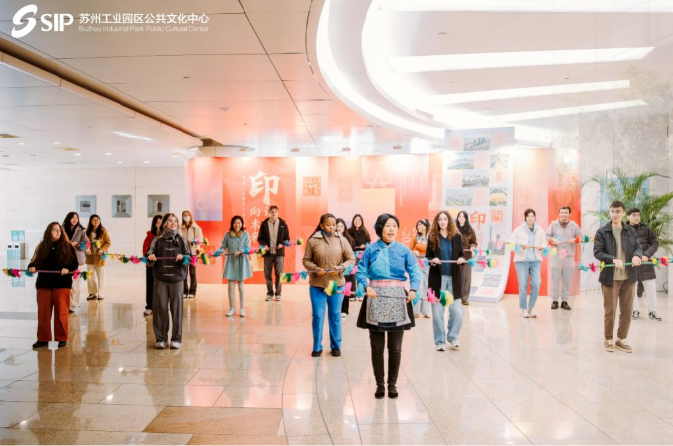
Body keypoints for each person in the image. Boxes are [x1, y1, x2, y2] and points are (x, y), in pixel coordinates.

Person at [356, 213, 421, 399]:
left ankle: (392, 384)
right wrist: (366, 286)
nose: (392, 229)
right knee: (377, 347)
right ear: (380, 228)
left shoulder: (403, 250)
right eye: (388, 225)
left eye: (394, 225)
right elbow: (361, 271)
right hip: (375, 297)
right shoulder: (370, 249)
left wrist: (413, 289)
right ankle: (379, 385)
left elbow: (414, 271)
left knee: (395, 347)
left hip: (397, 299)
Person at [303, 214, 355, 357]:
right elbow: (306, 260)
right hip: (317, 285)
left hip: (336, 284)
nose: (332, 227)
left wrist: (341, 267)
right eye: (328, 224)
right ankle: (317, 347)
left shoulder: (342, 240)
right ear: (321, 225)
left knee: (335, 315)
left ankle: (336, 346)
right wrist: (314, 268)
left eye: (334, 224)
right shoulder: (313, 240)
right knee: (318, 316)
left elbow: (351, 259)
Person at [594, 201, 643, 353]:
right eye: (612, 211)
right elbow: (597, 252)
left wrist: (637, 255)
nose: (614, 214)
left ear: (623, 213)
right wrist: (612, 259)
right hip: (610, 278)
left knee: (627, 311)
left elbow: (638, 247)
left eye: (618, 211)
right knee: (610, 310)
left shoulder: (630, 230)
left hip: (629, 277)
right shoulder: (602, 232)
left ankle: (621, 339)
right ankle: (608, 339)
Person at [27, 222, 79, 349]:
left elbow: (74, 264)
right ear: (48, 232)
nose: (58, 232)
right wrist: (32, 267)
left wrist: (67, 268)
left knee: (61, 312)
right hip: (44, 284)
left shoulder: (67, 246)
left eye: (59, 230)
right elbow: (34, 261)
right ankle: (43, 339)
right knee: (43, 313)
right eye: (55, 230)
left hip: (62, 284)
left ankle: (62, 338)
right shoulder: (41, 246)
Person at [147, 213, 191, 349]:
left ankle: (176, 339)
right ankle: (161, 339)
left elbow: (189, 257)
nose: (173, 223)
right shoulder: (156, 240)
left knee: (176, 309)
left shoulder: (183, 240)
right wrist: (151, 257)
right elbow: (148, 255)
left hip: (177, 279)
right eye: (170, 221)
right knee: (160, 308)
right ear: (165, 223)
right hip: (160, 279)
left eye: (175, 221)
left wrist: (183, 257)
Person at [426, 211, 466, 351]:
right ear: (437, 222)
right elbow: (427, 257)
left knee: (458, 311)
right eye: (440, 219)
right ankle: (440, 341)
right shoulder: (432, 237)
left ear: (449, 220)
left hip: (454, 279)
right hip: (437, 279)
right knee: (437, 313)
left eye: (445, 219)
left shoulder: (457, 236)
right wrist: (433, 260)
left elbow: (462, 254)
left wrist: (461, 259)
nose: (442, 222)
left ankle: (453, 337)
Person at [509, 209, 546, 318]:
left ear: (535, 217)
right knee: (523, 285)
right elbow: (511, 244)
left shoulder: (540, 230)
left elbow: (544, 243)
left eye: (532, 216)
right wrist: (520, 246)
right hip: (522, 261)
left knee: (536, 284)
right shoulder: (518, 230)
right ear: (525, 217)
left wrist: (542, 247)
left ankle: (531, 307)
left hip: (535, 261)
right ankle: (524, 309)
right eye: (528, 216)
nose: (530, 218)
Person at [627, 208, 662, 321]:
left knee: (651, 287)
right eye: (634, 215)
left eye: (638, 215)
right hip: (631, 264)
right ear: (628, 217)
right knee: (632, 289)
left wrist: (647, 254)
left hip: (646, 263)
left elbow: (655, 242)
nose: (637, 217)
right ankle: (635, 310)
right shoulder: (624, 230)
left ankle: (653, 312)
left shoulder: (646, 229)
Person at [546, 206, 582, 310]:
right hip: (556, 256)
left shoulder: (574, 225)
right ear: (559, 214)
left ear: (569, 214)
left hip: (569, 257)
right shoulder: (553, 224)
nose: (563, 214)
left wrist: (575, 239)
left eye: (565, 213)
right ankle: (554, 301)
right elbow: (546, 236)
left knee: (567, 280)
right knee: (555, 280)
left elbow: (581, 238)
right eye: (561, 212)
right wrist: (553, 240)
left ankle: (565, 301)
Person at [221, 216, 253, 318]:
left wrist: (241, 251)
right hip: (231, 262)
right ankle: (232, 308)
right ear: (232, 224)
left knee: (241, 287)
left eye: (239, 223)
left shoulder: (245, 234)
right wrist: (221, 251)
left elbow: (248, 248)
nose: (237, 225)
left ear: (242, 224)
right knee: (230, 287)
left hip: (241, 262)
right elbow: (223, 246)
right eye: (235, 223)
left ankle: (242, 308)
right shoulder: (227, 235)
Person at [258, 205, 290, 302]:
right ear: (269, 213)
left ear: (278, 213)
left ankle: (278, 293)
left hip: (279, 254)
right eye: (272, 211)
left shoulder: (283, 224)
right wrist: (264, 245)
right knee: (267, 275)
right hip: (267, 254)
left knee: (279, 274)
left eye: (275, 211)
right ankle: (270, 293)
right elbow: (260, 238)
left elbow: (287, 238)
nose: (273, 213)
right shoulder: (264, 224)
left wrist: (282, 243)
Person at [62, 212, 89, 313]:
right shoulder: (62, 229)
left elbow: (87, 244)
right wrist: (67, 244)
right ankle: (65, 303)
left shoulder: (81, 230)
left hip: (77, 260)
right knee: (66, 284)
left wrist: (77, 244)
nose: (75, 219)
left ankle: (72, 305)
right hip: (64, 259)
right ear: (68, 218)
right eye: (72, 218)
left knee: (75, 285)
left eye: (76, 218)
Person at [85, 214, 111, 301]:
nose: (96, 222)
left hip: (100, 257)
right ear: (90, 221)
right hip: (90, 257)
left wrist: (102, 250)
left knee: (101, 276)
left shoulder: (103, 230)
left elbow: (108, 242)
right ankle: (92, 293)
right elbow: (84, 242)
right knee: (90, 276)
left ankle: (101, 293)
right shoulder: (87, 231)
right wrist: (87, 249)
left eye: (98, 220)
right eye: (94, 220)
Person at [410, 219, 431, 318]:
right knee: (419, 286)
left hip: (428, 264)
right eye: (418, 225)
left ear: (426, 226)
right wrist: (414, 252)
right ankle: (416, 311)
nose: (419, 227)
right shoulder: (415, 237)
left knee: (427, 287)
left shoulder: (431, 238)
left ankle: (426, 311)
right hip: (417, 263)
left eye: (421, 225)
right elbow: (408, 250)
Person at [180, 210, 203, 299]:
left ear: (191, 216)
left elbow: (200, 239)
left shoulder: (196, 228)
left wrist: (194, 242)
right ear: (182, 217)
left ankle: (192, 291)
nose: (186, 217)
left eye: (188, 215)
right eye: (184, 215)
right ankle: (184, 291)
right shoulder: (180, 227)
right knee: (184, 273)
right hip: (184, 253)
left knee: (192, 273)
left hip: (193, 253)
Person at [336, 218, 356, 319]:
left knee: (346, 288)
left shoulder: (349, 239)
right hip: (335, 268)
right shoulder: (331, 239)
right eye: (337, 226)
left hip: (346, 268)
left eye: (341, 226)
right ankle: (336, 309)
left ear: (344, 227)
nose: (339, 228)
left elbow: (351, 256)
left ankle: (344, 310)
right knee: (336, 289)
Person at [142, 215, 163, 316]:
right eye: (158, 223)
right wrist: (150, 256)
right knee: (150, 286)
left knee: (162, 287)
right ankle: (149, 306)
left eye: (161, 223)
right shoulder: (149, 236)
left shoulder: (167, 236)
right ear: (154, 224)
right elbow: (145, 250)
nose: (160, 225)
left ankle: (161, 306)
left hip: (163, 267)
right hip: (151, 266)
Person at [456, 211, 477, 306]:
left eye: (463, 217)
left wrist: (472, 247)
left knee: (466, 277)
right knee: (456, 277)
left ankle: (464, 298)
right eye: (459, 216)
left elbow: (474, 241)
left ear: (466, 219)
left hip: (467, 257)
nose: (461, 218)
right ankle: (456, 296)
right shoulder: (454, 229)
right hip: (455, 257)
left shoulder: (470, 229)